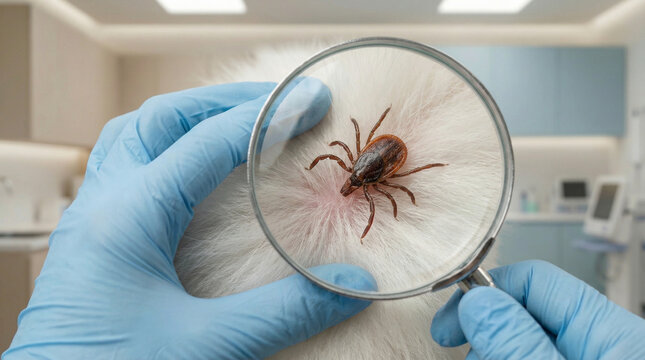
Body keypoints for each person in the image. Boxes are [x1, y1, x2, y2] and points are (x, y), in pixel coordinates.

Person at [3, 82, 645, 359]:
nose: (350, 178)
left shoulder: (365, 163)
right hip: (386, 147)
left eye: (352, 176)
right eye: (349, 173)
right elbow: (392, 184)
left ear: (356, 166)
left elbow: (383, 174)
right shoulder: (377, 176)